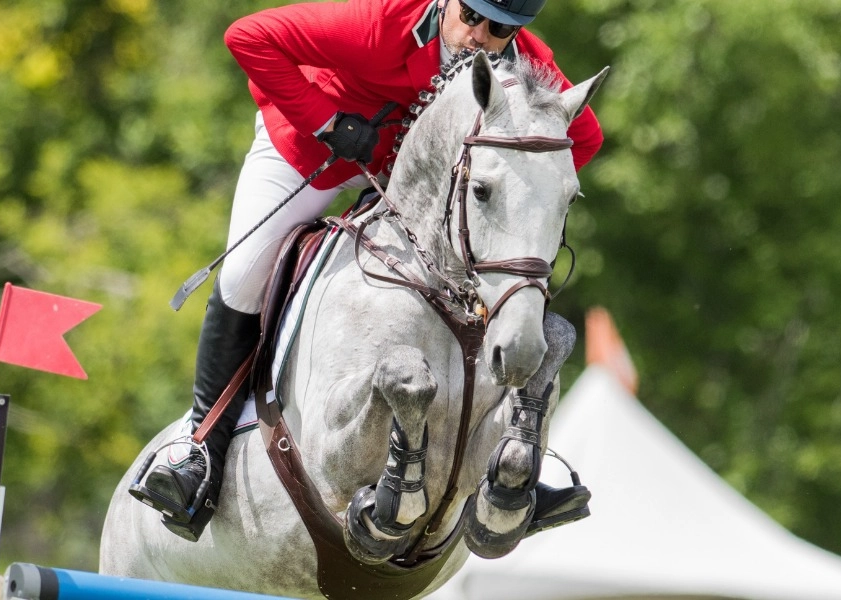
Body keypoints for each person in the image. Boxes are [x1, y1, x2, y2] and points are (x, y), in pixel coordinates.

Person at [134, 0, 603, 542]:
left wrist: (513, 197)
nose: (479, 35)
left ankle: (510, 461)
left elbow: (582, 136)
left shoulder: (525, 61)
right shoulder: (382, 24)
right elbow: (249, 36)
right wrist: (328, 122)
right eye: (470, 17)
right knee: (244, 273)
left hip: (414, 182)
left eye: (499, 28)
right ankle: (199, 449)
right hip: (314, 150)